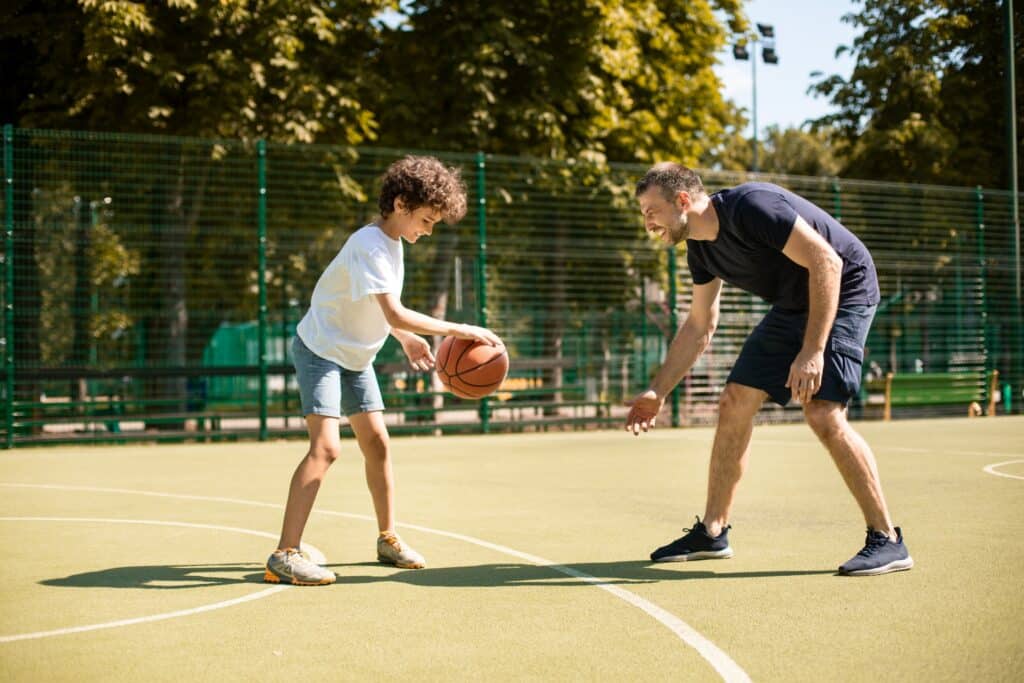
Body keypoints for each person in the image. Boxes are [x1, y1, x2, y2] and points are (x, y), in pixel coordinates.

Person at [626, 163, 913, 577]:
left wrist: (813, 351)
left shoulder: (752, 208)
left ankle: (888, 539)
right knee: (735, 399)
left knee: (821, 410)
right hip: (796, 302)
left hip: (845, 287)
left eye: (651, 210)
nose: (647, 221)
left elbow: (827, 263)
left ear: (683, 201)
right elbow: (699, 325)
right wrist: (658, 391)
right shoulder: (701, 250)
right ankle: (712, 532)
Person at [265, 156, 502, 585]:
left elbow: (377, 309)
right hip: (320, 351)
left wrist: (404, 337)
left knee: (377, 443)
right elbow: (394, 308)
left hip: (356, 356)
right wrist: (459, 327)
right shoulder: (369, 244)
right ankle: (284, 553)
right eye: (427, 220)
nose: (429, 230)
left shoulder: (391, 244)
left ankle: (386, 538)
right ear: (399, 203)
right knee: (327, 448)